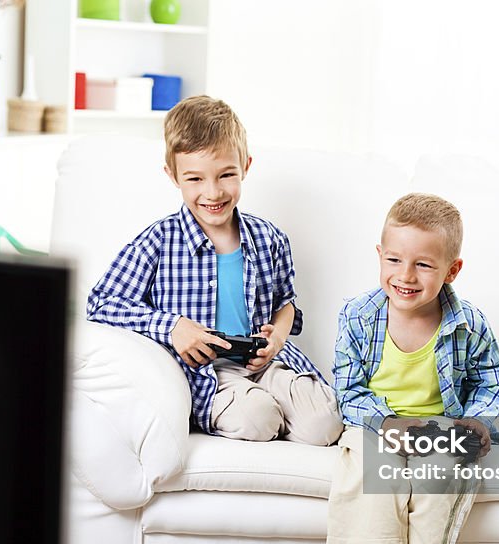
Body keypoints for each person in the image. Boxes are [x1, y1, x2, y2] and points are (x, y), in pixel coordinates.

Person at [327, 193, 499, 544]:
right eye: (394, 260)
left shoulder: (467, 323)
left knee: (438, 487)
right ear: (379, 256)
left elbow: (494, 379)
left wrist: (476, 420)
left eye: (423, 265)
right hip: (376, 425)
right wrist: (385, 424)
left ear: (451, 270)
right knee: (376, 482)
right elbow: (347, 390)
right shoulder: (357, 316)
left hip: (439, 431)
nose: (405, 276)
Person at [87, 95, 342, 446]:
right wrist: (172, 327)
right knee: (259, 418)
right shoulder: (159, 241)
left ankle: (275, 407)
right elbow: (101, 304)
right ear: (173, 176)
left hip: (263, 363)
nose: (213, 192)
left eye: (226, 175)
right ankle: (247, 410)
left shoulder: (269, 238)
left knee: (324, 424)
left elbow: (287, 304)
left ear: (246, 167)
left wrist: (278, 338)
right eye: (195, 179)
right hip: (207, 373)